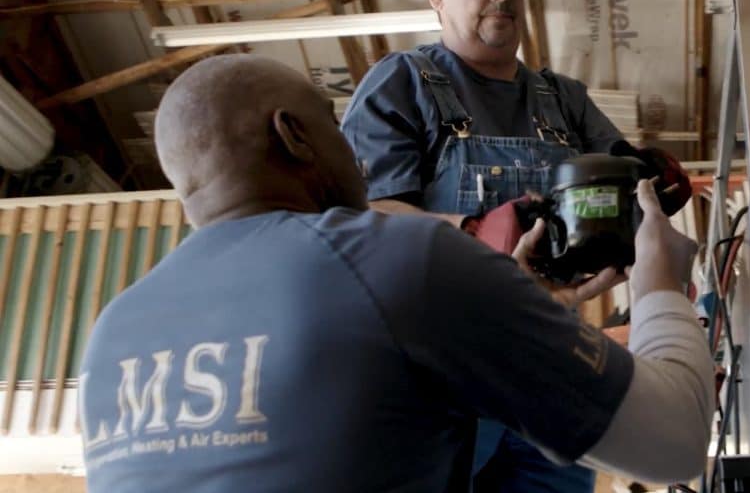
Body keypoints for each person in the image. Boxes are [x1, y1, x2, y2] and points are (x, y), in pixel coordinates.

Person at [77, 55, 714, 492]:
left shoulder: (110, 336)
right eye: (335, 127)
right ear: (294, 136)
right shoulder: (399, 257)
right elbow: (675, 441)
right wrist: (661, 283)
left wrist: (510, 309)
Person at [340, 0, 690, 488]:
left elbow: (617, 176)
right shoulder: (401, 85)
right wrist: (475, 228)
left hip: (547, 364)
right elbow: (362, 217)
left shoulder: (563, 99)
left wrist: (648, 178)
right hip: (440, 374)